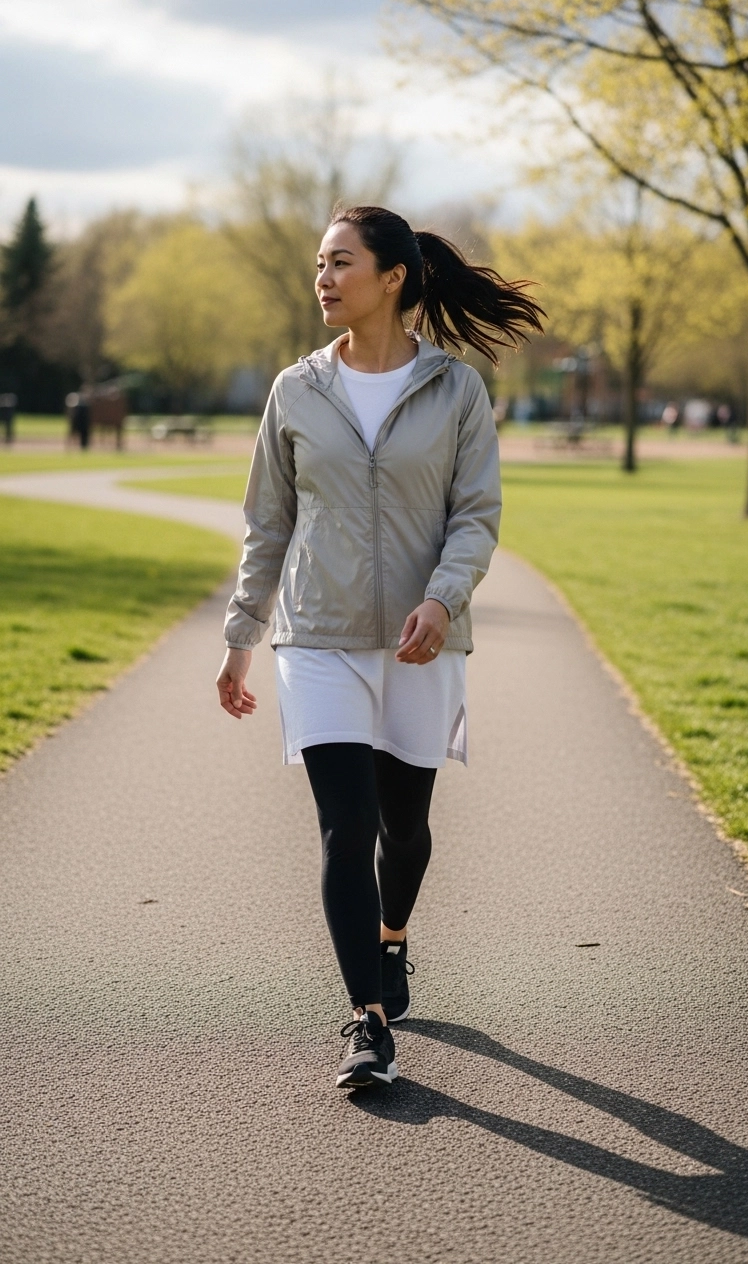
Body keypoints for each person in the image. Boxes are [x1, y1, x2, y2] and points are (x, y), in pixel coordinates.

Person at [216, 205, 544, 1089]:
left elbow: (475, 517)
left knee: (404, 827)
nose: (322, 279)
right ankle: (365, 1021)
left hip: (419, 644)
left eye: (339, 263)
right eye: (319, 265)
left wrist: (443, 601)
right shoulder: (296, 389)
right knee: (344, 825)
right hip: (317, 637)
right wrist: (242, 636)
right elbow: (267, 524)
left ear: (393, 276)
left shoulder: (456, 389)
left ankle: (392, 937)